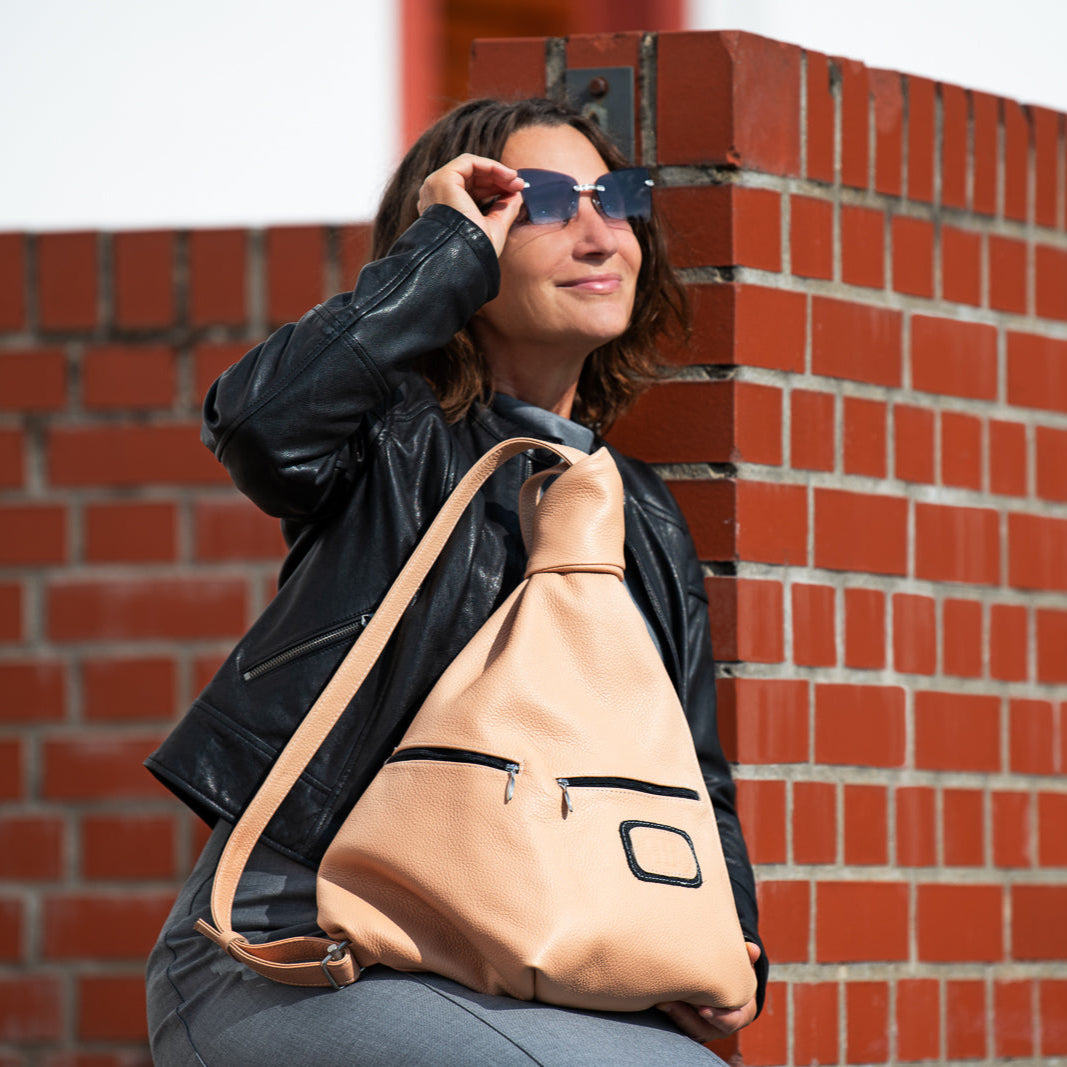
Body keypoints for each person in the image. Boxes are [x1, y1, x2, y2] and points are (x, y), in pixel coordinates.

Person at [145, 96, 767, 1066]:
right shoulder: (391, 441)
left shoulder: (633, 510)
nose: (601, 231)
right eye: (549, 200)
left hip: (512, 969)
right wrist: (439, 251)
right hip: (294, 944)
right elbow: (259, 420)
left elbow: (694, 770)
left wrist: (728, 935)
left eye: (618, 197)